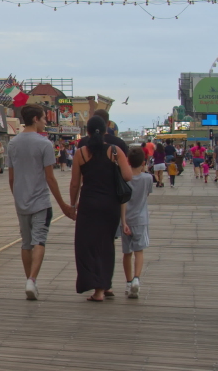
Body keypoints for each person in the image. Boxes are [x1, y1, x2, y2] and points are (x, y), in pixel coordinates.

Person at [6, 105, 75, 300]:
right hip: (40, 202)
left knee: (26, 243)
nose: (46, 122)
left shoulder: (13, 144)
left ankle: (29, 279)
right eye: (44, 118)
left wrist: (17, 196)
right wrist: (63, 204)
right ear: (35, 119)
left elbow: (11, 177)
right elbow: (50, 178)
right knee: (39, 241)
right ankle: (33, 280)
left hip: (21, 201)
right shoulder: (44, 144)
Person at [69, 116, 133, 302]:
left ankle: (96, 289)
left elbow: (74, 184)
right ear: (105, 131)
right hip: (110, 204)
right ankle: (105, 286)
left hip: (88, 204)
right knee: (106, 245)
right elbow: (128, 176)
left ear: (87, 132)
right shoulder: (114, 151)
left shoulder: (80, 153)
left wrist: (73, 205)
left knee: (86, 246)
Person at [121, 147, 153, 299]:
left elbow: (122, 199)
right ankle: (136, 279)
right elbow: (147, 194)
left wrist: (123, 221)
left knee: (127, 253)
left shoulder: (123, 178)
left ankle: (128, 283)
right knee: (139, 251)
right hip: (141, 220)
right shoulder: (147, 178)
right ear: (143, 162)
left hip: (125, 220)